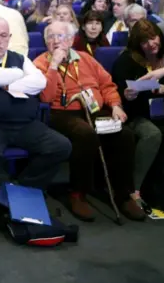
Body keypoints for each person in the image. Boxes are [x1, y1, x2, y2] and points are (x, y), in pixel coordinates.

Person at [0, 17, 71, 220]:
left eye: (3, 36)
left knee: (61, 146)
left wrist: (8, 84)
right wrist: (18, 75)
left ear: (9, 38)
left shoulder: (19, 57)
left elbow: (39, 82)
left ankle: (19, 189)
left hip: (25, 125)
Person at [33, 21, 146, 222]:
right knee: (85, 134)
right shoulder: (40, 63)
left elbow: (107, 84)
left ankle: (123, 193)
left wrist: (115, 105)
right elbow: (46, 97)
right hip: (61, 113)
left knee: (124, 133)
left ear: (70, 40)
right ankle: (78, 193)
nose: (55, 41)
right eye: (50, 37)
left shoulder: (86, 59)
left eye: (60, 36)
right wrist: (53, 65)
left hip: (93, 109)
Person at [112, 19, 164, 212]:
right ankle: (134, 190)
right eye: (145, 41)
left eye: (154, 37)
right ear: (138, 44)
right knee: (152, 134)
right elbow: (120, 90)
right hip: (136, 113)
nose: (151, 44)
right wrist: (128, 94)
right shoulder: (126, 60)